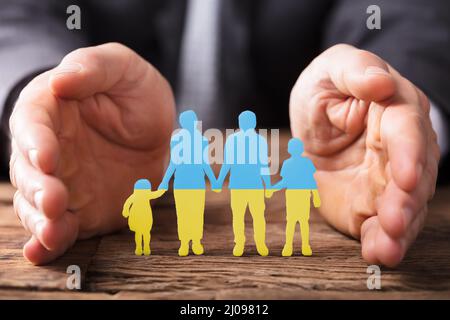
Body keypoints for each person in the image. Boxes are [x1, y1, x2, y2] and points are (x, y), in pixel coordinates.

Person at [1, 1, 448, 266]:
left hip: (316, 165)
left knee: (246, 220)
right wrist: (46, 97)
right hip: (119, 159)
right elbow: (18, 13)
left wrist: (395, 105)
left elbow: (409, 14)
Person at [159, 110, 217, 256]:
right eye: (187, 121)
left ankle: (196, 242)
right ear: (182, 123)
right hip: (182, 183)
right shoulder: (177, 140)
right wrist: (165, 181)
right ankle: (184, 242)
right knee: (183, 213)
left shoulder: (202, 141)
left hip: (197, 183)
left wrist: (214, 180)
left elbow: (204, 163)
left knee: (197, 213)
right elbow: (173, 163)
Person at [216, 111, 271, 257]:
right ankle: (241, 243)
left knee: (254, 216)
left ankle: (259, 243)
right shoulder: (234, 140)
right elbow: (228, 163)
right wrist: (219, 181)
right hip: (241, 185)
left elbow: (263, 165)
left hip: (252, 185)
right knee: (243, 216)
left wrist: (268, 185)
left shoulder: (259, 141)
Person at [267, 138, 321, 257]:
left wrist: (316, 195)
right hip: (293, 196)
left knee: (301, 222)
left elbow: (311, 180)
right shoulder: (288, 164)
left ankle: (304, 246)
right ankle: (289, 245)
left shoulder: (306, 163)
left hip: (303, 195)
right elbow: (285, 181)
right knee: (293, 222)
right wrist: (272, 188)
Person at [122, 179, 166, 256]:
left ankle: (144, 247)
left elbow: (127, 204)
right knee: (144, 233)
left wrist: (126, 211)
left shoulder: (135, 196)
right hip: (143, 216)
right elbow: (157, 194)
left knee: (141, 233)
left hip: (142, 216)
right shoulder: (146, 195)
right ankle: (142, 247)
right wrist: (163, 189)